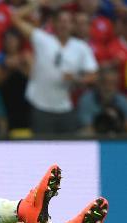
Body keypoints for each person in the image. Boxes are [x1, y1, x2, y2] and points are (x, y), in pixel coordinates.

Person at [12, 4, 98, 135]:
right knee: (42, 151)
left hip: (65, 107)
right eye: (61, 21)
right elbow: (15, 17)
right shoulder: (42, 39)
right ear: (53, 23)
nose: (64, 25)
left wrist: (77, 79)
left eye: (68, 22)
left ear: (73, 25)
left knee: (67, 151)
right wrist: (38, 3)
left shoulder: (81, 47)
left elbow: (93, 75)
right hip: (40, 105)